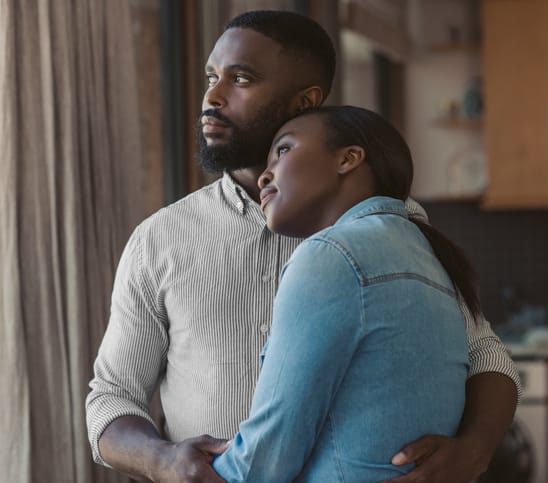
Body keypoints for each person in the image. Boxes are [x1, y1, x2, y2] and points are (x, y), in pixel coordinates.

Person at [86, 10, 520, 483]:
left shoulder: (390, 229)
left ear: (305, 101)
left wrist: (475, 451)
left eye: (241, 78)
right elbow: (111, 396)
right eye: (212, 76)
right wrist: (161, 460)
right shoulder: (159, 239)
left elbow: (485, 354)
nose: (212, 96)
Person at [211, 105, 481, 481]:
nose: (264, 175)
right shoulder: (428, 256)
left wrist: (182, 471)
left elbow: (264, 462)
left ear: (349, 158)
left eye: (284, 150)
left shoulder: (332, 255)